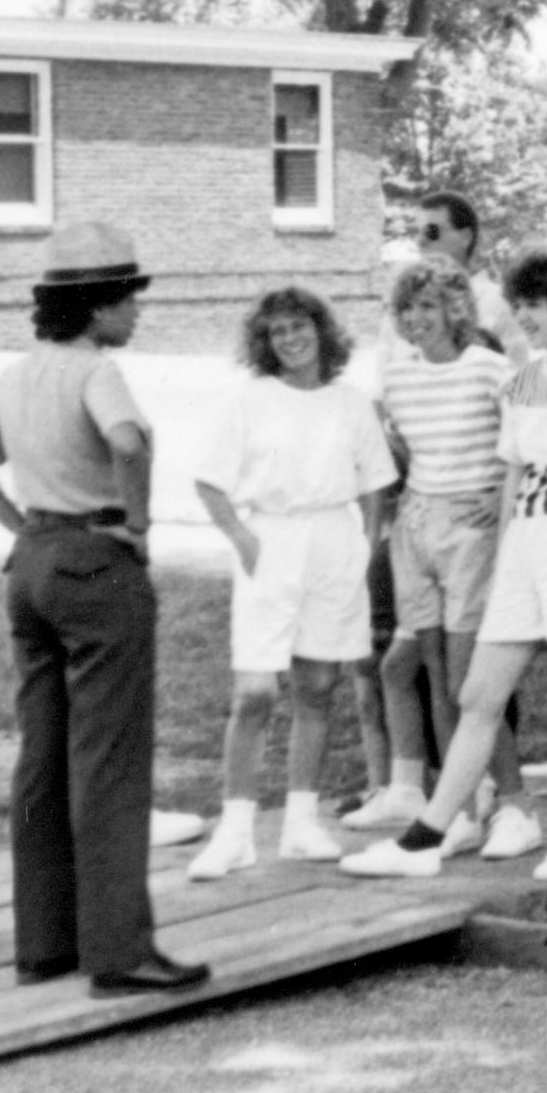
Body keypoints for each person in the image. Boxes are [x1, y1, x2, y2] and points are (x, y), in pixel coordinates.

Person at [0, 220, 206, 995]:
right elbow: (128, 444)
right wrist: (138, 524)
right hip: (96, 562)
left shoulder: (18, 373)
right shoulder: (96, 371)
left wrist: (18, 524)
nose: (136, 311)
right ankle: (119, 951)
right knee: (110, 765)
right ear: (94, 307)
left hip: (32, 564)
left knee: (42, 760)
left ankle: (44, 942)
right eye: (128, 298)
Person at [345, 252, 547, 883]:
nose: (522, 318)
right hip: (527, 543)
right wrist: (508, 553)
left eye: (531, 306)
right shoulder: (523, 380)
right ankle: (424, 841)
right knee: (478, 694)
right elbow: (512, 472)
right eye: (520, 306)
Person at [185, 286, 399, 881]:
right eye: (277, 332)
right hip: (271, 542)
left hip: (334, 543)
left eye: (299, 327)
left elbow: (375, 482)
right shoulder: (249, 401)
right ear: (265, 342)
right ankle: (235, 832)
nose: (290, 340)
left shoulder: (350, 403)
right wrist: (245, 540)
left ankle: (302, 823)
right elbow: (209, 482)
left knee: (319, 686)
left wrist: (368, 541)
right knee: (255, 692)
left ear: (321, 332)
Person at [367, 261, 515, 836]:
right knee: (432, 671)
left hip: (470, 530)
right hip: (416, 526)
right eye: (407, 309)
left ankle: (501, 798)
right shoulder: (397, 378)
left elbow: (524, 436)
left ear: (455, 309)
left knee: (466, 680)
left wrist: (501, 489)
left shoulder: (489, 369)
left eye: (428, 306)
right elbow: (401, 454)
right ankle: (458, 808)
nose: (417, 319)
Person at [404, 191, 513, 344]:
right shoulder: (404, 305)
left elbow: (518, 366)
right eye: (416, 232)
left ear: (465, 238)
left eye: (431, 231)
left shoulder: (498, 303)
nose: (420, 241)